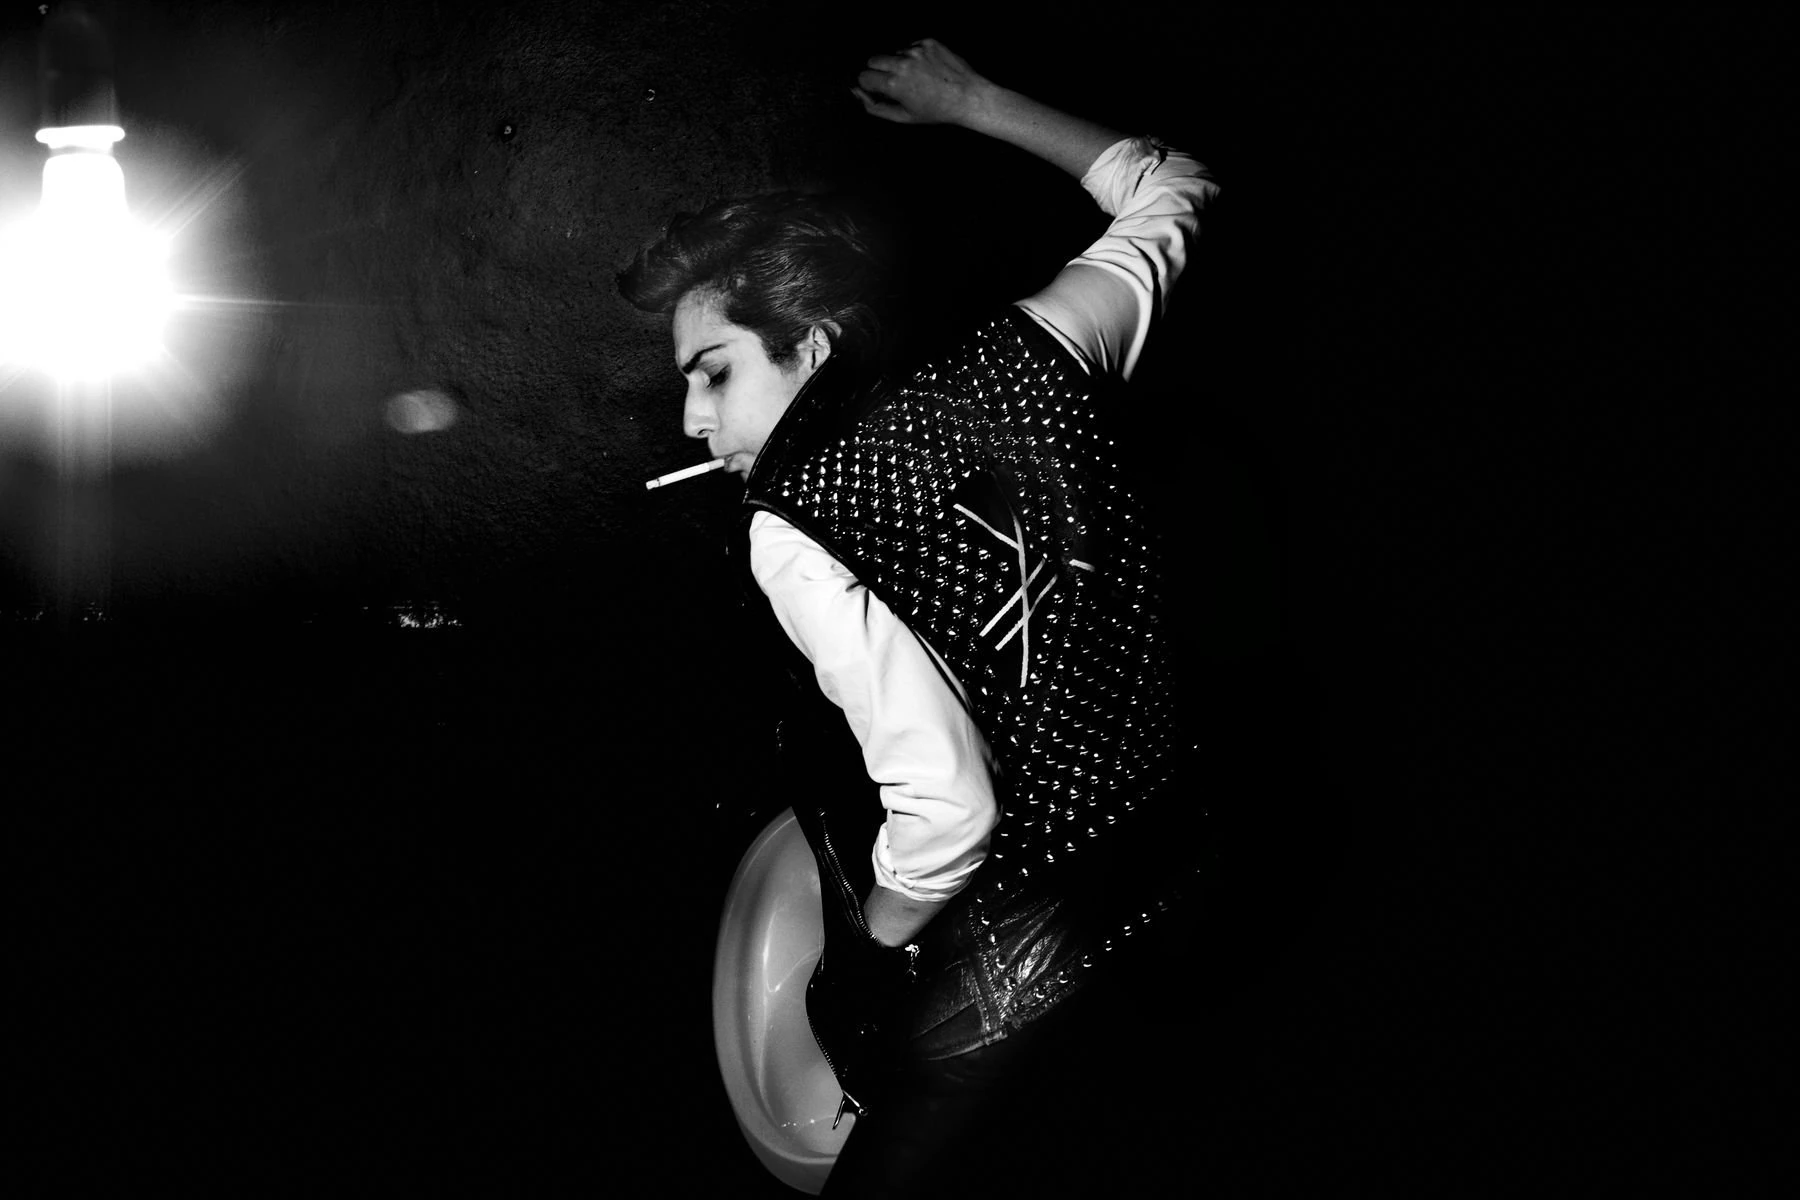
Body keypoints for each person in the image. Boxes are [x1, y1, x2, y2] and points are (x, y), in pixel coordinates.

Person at [620, 39, 1219, 1197]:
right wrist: (975, 100)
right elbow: (1175, 187)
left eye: (713, 371)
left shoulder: (790, 529)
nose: (692, 418)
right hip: (1184, 856)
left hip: (1029, 957)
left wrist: (873, 948)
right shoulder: (1039, 344)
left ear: (811, 345)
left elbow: (948, 812)